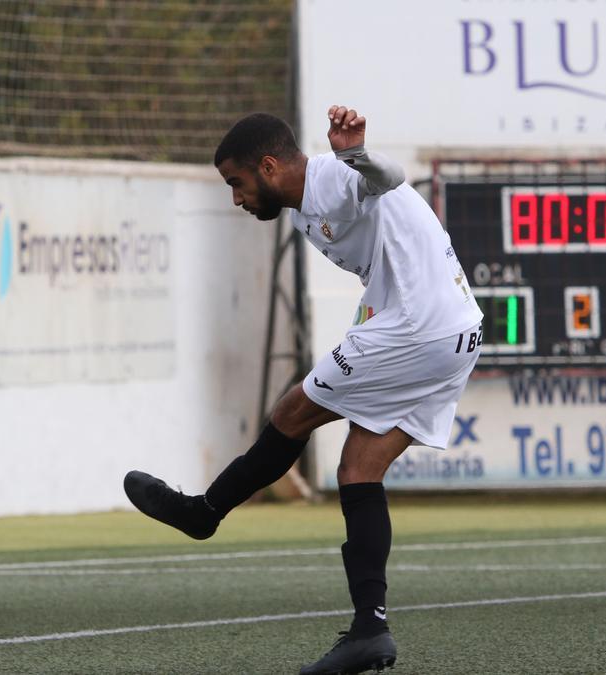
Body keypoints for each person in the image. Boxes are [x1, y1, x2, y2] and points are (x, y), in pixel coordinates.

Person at [124, 106, 482, 674]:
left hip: (420, 324)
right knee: (358, 469)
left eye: (236, 183)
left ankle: (204, 512)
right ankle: (371, 630)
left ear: (269, 166)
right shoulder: (300, 214)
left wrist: (355, 153)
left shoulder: (334, 177)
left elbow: (388, 180)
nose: (236, 199)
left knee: (291, 412)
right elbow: (386, 256)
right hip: (454, 331)